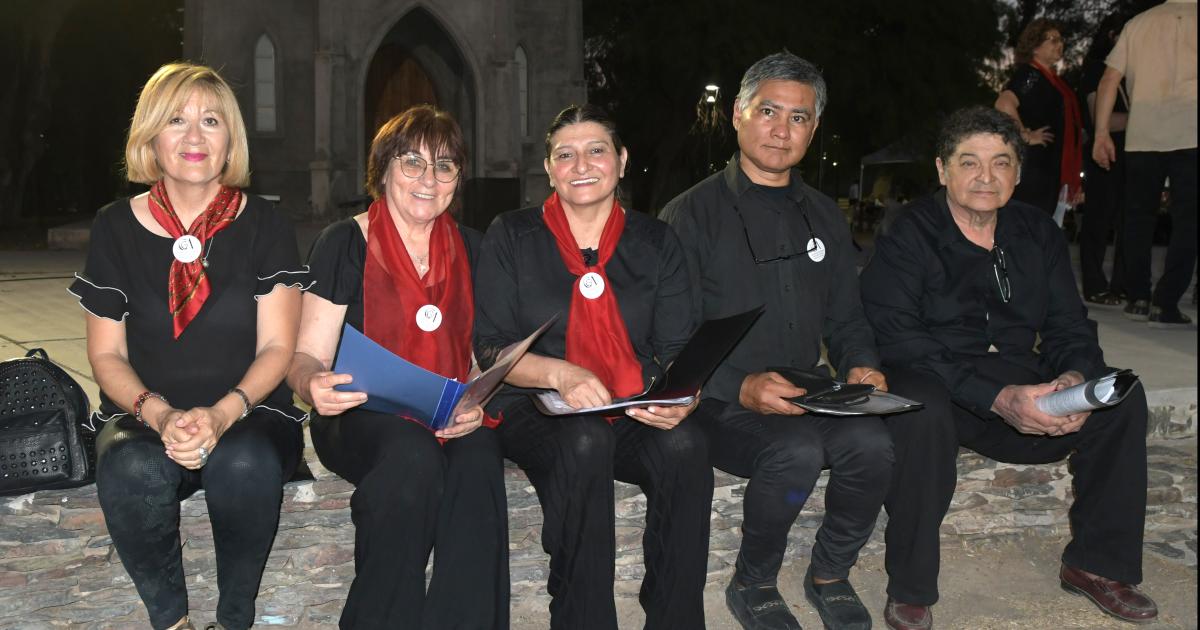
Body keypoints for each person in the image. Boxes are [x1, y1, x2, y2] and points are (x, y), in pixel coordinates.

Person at [860, 106, 1156, 629]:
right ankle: (911, 585)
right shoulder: (909, 234)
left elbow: (1070, 325)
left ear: (1017, 173)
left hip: (1020, 378)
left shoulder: (1036, 231)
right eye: (968, 162)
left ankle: (1096, 566)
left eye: (1001, 163)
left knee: (1122, 397)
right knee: (920, 410)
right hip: (940, 381)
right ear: (941, 169)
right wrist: (997, 398)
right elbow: (900, 339)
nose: (985, 176)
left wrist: (1072, 381)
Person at [69, 63, 307, 630]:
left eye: (210, 121)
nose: (194, 137)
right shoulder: (114, 228)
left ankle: (233, 619)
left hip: (250, 412)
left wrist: (223, 415)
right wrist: (161, 412)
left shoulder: (267, 225)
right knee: (130, 466)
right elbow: (106, 357)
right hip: (144, 413)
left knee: (244, 460)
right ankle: (170, 620)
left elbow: (278, 346)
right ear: (151, 136)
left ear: (231, 141)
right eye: (176, 120)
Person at [661, 51, 892, 630]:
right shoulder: (688, 216)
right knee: (795, 452)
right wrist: (740, 386)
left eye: (798, 117)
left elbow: (846, 317)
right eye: (768, 111)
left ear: (813, 130)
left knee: (873, 447)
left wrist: (861, 364)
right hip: (717, 402)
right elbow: (669, 339)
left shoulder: (824, 216)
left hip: (809, 389)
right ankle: (755, 581)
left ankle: (830, 572)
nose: (780, 129)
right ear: (738, 114)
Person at [474, 104, 711, 630]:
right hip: (534, 405)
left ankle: (674, 617)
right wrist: (562, 373)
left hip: (631, 401)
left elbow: (678, 348)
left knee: (687, 446)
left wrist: (682, 396)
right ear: (550, 169)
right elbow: (490, 349)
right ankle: (583, 618)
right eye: (566, 154)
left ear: (622, 161)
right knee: (585, 441)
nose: (581, 164)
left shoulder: (657, 243)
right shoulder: (511, 235)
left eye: (596, 150)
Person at [286, 105, 508, 629]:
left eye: (445, 165)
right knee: (412, 457)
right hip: (358, 414)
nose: (428, 179)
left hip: (445, 410)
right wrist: (310, 384)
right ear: (382, 169)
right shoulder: (345, 243)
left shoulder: (476, 249)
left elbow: (484, 358)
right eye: (412, 162)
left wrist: (477, 403)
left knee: (478, 455)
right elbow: (305, 357)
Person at [1093, 0, 1197, 327]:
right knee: (1188, 221)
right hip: (1191, 132)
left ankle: (1138, 296)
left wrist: (1100, 134)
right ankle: (1165, 303)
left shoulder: (1138, 24)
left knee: (1137, 218)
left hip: (1143, 135)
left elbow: (1109, 79)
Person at [995, 18, 1083, 215]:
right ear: (1035, 46)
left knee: (1039, 232)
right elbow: (1003, 103)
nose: (1059, 44)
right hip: (1034, 168)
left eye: (1060, 39)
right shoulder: (1031, 75)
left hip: (1049, 167)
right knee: (1028, 229)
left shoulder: (1054, 81)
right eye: (1052, 40)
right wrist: (1025, 135)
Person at [1076, 12, 1132, 307]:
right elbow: (1104, 119)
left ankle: (1123, 285)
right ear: (1113, 36)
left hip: (1132, 155)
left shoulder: (1133, 73)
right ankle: (1095, 284)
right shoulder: (1097, 70)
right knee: (1099, 218)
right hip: (1104, 154)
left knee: (1129, 220)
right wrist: (1146, 119)